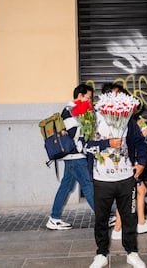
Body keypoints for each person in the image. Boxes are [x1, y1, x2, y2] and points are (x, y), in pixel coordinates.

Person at [85, 86, 147, 268]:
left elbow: (139, 142)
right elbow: (84, 145)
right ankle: (101, 253)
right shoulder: (93, 118)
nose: (116, 99)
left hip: (126, 178)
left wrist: (141, 162)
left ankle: (132, 253)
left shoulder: (127, 119)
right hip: (101, 179)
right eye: (112, 95)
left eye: (119, 96)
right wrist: (107, 143)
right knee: (101, 219)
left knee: (130, 217)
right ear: (104, 98)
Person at [46, 84, 96, 230]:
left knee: (65, 187)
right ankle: (103, 217)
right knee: (88, 186)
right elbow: (72, 133)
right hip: (75, 157)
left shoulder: (74, 110)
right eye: (89, 97)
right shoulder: (71, 110)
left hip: (73, 157)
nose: (90, 101)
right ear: (80, 96)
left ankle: (54, 218)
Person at [111, 113, 147, 240]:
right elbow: (132, 142)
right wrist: (141, 132)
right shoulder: (124, 122)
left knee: (141, 190)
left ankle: (141, 223)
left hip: (131, 162)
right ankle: (117, 229)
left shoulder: (130, 120)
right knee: (126, 196)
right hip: (129, 162)